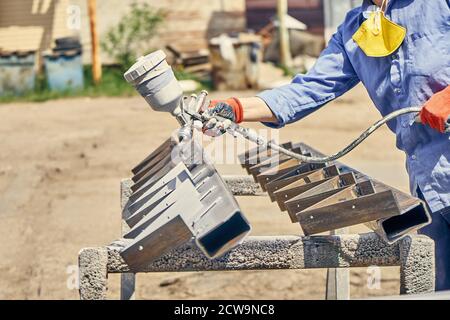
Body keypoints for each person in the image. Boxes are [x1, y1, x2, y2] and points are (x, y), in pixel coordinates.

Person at [201, 0, 450, 290]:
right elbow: (309, 88)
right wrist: (236, 108)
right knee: (439, 288)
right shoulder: (354, 29)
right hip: (428, 183)